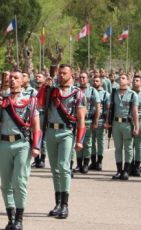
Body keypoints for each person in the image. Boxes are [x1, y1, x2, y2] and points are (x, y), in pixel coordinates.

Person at [0, 70, 41, 230]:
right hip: (4, 143)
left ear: (22, 81)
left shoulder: (30, 100)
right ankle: (10, 218)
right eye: (10, 78)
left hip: (22, 144)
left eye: (16, 78)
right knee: (5, 184)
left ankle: (19, 219)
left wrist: (36, 146)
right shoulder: (1, 99)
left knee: (19, 181)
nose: (12, 80)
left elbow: (36, 126)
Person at [37, 64, 86, 220]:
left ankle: (65, 204)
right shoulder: (53, 90)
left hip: (66, 132)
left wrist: (79, 140)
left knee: (64, 167)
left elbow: (81, 119)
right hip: (51, 131)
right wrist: (45, 87)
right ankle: (57, 203)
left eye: (64, 73)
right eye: (60, 73)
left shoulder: (78, 94)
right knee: (55, 170)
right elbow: (39, 104)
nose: (61, 76)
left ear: (72, 75)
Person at [105, 74, 139, 181]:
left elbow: (135, 112)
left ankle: (126, 171)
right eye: (120, 78)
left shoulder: (133, 94)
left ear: (128, 81)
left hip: (127, 123)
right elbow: (110, 108)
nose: (120, 79)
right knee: (118, 148)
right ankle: (119, 171)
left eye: (123, 78)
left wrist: (137, 127)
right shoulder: (114, 92)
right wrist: (107, 122)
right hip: (116, 123)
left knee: (128, 148)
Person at [75, 72, 100, 174]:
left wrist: (96, 121)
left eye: (84, 77)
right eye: (80, 77)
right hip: (77, 121)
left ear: (88, 79)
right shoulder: (75, 90)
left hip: (88, 120)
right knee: (78, 142)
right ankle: (79, 164)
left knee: (87, 143)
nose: (82, 79)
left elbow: (98, 107)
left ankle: (86, 164)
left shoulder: (93, 91)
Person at [90, 77, 110, 171]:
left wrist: (107, 121)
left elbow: (107, 109)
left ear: (101, 83)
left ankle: (99, 161)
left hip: (101, 120)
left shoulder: (106, 94)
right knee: (91, 141)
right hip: (91, 120)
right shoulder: (90, 92)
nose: (95, 82)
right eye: (94, 81)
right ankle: (93, 161)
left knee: (100, 142)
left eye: (97, 81)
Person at [32, 73, 48, 168]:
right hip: (35, 114)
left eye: (39, 76)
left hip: (43, 114)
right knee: (35, 136)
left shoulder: (47, 90)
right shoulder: (32, 90)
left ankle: (42, 159)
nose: (37, 78)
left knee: (43, 138)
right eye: (36, 76)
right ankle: (36, 159)